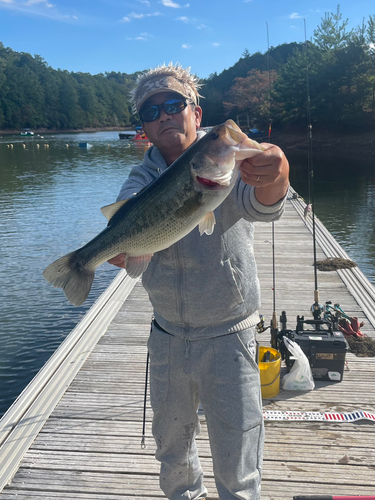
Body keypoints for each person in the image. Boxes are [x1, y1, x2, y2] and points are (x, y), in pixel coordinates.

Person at [109, 63, 289, 500]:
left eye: (174, 104)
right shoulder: (142, 177)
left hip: (231, 335)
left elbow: (264, 203)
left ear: (195, 111)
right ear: (145, 128)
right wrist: (122, 247)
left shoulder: (226, 160)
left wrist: (278, 175)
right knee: (173, 455)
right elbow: (127, 217)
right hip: (167, 336)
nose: (165, 116)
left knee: (238, 456)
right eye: (152, 112)